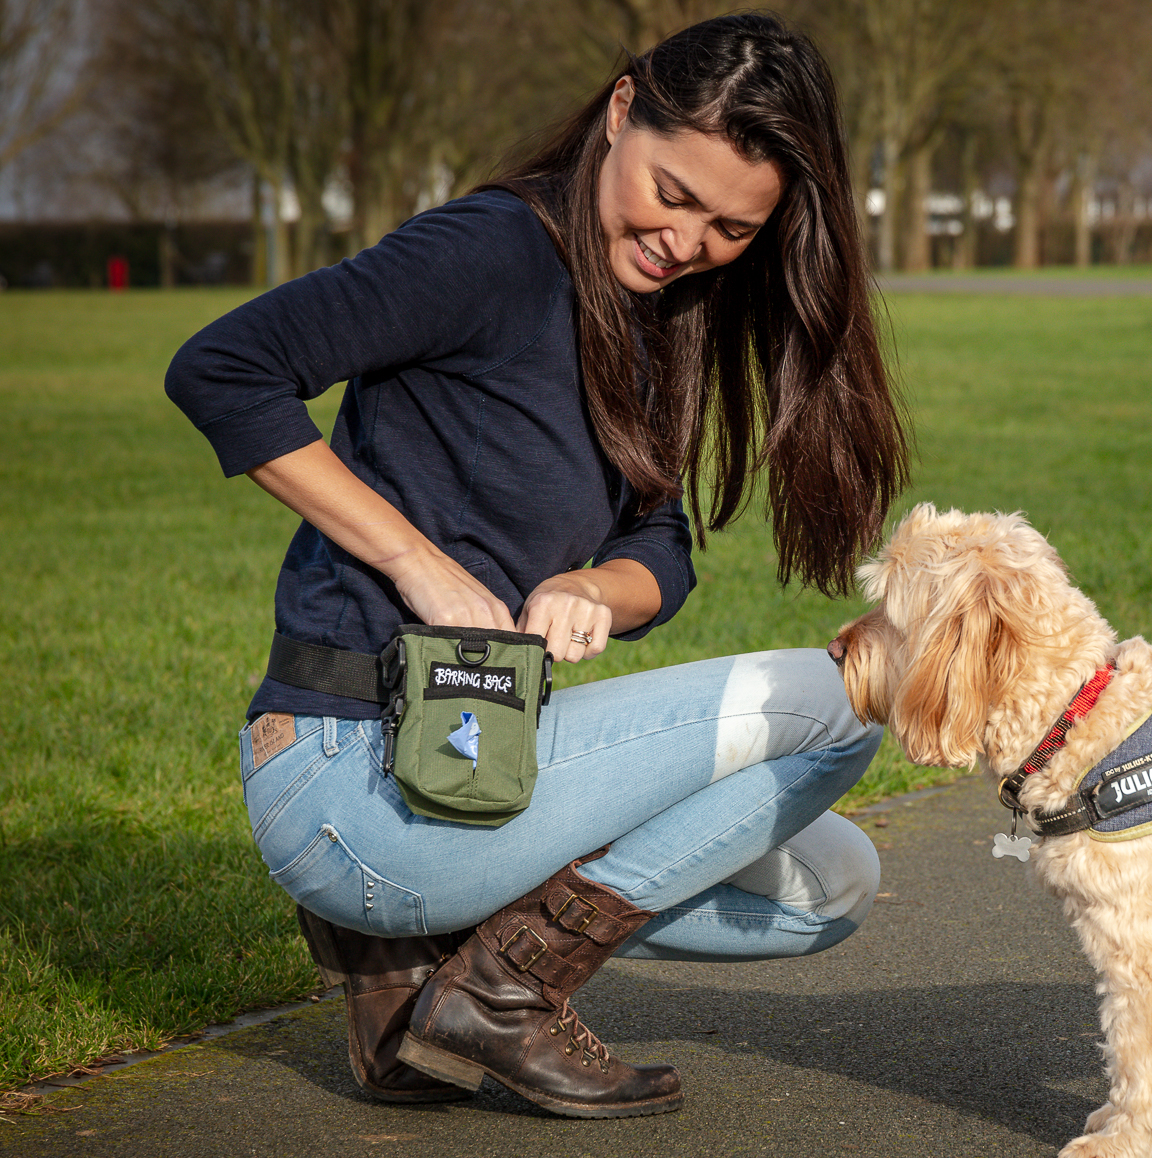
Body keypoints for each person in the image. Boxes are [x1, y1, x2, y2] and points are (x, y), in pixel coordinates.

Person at [166, 12, 908, 1121]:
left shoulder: (658, 316)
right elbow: (224, 369)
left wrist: (592, 588)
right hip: (345, 775)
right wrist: (415, 565)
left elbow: (660, 546)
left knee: (829, 884)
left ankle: (416, 983)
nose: (687, 241)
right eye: (671, 191)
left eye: (729, 227)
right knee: (839, 704)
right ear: (620, 113)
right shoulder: (487, 252)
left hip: (470, 767)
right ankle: (502, 992)